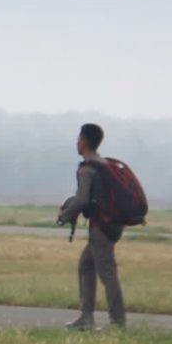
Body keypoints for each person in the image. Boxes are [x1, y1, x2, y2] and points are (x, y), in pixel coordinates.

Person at [55, 122, 127, 331]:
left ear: (84, 141)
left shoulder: (87, 169)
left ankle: (118, 322)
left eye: (78, 139)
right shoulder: (104, 164)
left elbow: (81, 200)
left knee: (107, 273)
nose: (77, 143)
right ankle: (86, 317)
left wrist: (65, 216)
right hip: (113, 225)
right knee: (86, 265)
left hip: (101, 227)